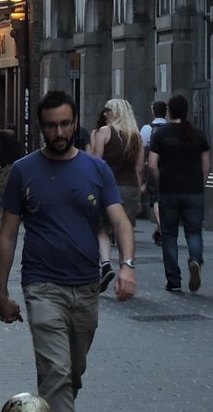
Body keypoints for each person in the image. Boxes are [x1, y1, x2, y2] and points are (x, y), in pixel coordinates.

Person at [0, 90, 136, 412]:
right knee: (57, 373)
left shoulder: (97, 170)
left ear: (76, 124)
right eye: (51, 126)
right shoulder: (23, 170)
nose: (59, 133)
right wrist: (1, 291)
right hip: (42, 285)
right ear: (41, 128)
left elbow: (121, 221)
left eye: (65, 124)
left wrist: (127, 265)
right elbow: (7, 236)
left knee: (72, 372)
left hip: (86, 287)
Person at [148, 93, 210, 293]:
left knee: (169, 236)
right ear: (186, 111)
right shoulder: (198, 134)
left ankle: (174, 280)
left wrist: (159, 182)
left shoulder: (161, 134)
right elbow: (206, 165)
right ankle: (195, 260)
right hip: (193, 190)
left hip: (169, 190)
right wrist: (201, 183)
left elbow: (152, 164)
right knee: (194, 231)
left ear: (169, 111)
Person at [87, 98, 144, 290]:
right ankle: (125, 270)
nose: (104, 114)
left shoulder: (104, 132)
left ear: (115, 112)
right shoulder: (136, 136)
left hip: (107, 187)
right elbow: (138, 169)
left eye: (107, 110)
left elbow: (96, 162)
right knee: (125, 229)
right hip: (129, 188)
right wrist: (138, 195)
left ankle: (105, 264)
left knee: (102, 228)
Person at [140, 101, 168, 245]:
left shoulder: (147, 129)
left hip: (154, 166)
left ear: (153, 111)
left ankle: (162, 230)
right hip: (170, 168)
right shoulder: (170, 127)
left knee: (156, 198)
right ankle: (159, 230)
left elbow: (141, 147)